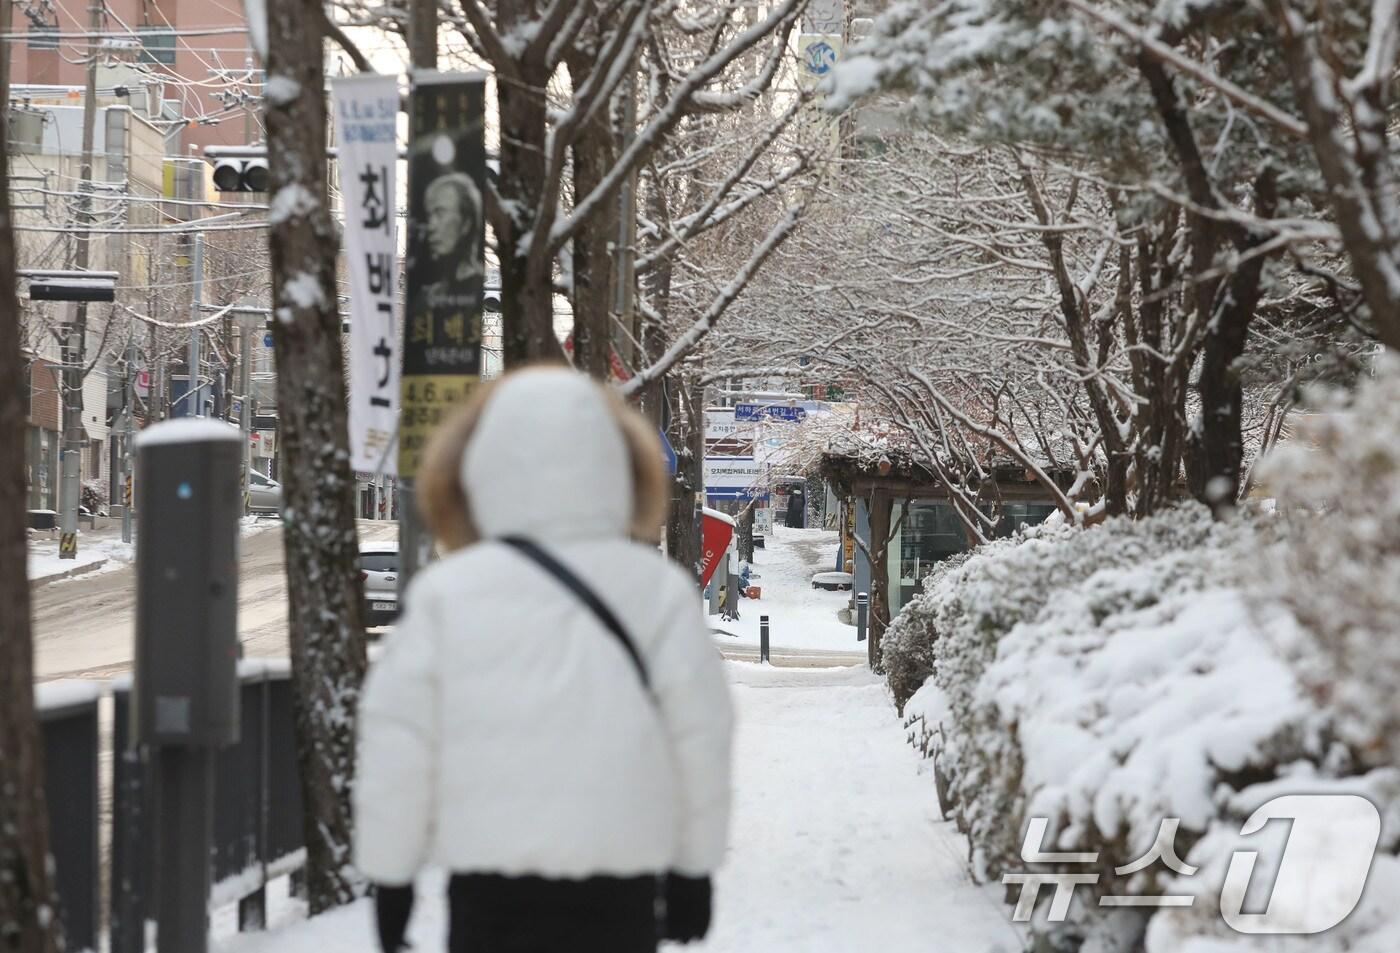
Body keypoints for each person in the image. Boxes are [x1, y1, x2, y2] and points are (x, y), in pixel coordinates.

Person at [354, 366, 734, 953]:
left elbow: (397, 746)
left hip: (489, 890)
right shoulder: (656, 592)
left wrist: (392, 877)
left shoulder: (447, 594)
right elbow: (699, 738)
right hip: (619, 888)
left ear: (479, 468)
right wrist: (694, 867)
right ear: (617, 466)